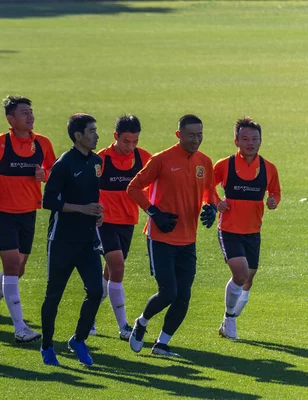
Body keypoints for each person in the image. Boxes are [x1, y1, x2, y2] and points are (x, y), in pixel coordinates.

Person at [126, 114, 216, 357]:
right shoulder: (161, 160)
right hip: (161, 237)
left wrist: (212, 208)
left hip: (188, 240)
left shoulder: (204, 162)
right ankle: (142, 323)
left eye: (200, 135)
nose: (196, 140)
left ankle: (161, 344)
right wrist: (154, 212)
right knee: (169, 292)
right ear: (179, 135)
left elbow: (210, 191)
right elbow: (133, 187)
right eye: (191, 135)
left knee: (183, 296)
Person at [0, 95, 56, 343]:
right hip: (2, 211)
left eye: (31, 112)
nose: (30, 117)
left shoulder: (42, 143)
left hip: (29, 210)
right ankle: (20, 328)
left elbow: (53, 170)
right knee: (10, 266)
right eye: (24, 113)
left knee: (18, 269)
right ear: (11, 119)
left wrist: (45, 174)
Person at [40, 113, 104, 366]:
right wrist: (81, 209)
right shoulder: (64, 163)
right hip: (62, 241)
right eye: (92, 131)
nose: (97, 135)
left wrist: (97, 213)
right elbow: (48, 201)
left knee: (97, 291)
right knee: (54, 295)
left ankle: (78, 339)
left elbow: (93, 197)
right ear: (78, 136)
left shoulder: (97, 162)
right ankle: (46, 346)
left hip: (87, 241)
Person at [213, 117, 280, 340]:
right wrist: (216, 202)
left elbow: (275, 192)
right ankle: (229, 319)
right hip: (230, 230)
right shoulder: (224, 165)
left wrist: (273, 201)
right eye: (245, 139)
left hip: (253, 231)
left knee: (249, 277)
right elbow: (205, 188)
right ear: (236, 141)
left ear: (260, 140)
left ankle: (229, 317)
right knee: (240, 275)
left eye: (254, 138)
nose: (250, 143)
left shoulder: (269, 168)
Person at [93, 115, 151, 339]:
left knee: (108, 275)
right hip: (104, 222)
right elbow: (87, 188)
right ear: (115, 136)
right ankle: (124, 326)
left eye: (135, 141)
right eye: (126, 141)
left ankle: (88, 318)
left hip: (128, 222)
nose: (131, 146)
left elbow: (156, 185)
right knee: (117, 268)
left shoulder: (144, 158)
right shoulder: (100, 160)